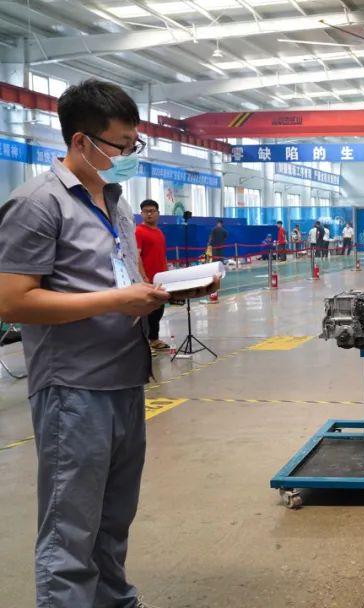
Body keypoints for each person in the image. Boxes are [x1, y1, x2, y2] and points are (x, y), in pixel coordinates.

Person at [0, 79, 219, 608]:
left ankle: (114, 599)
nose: (129, 155)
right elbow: (12, 301)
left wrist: (167, 290)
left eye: (133, 144)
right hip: (74, 386)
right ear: (81, 141)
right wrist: (116, 301)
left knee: (114, 514)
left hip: (124, 376)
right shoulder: (37, 203)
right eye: (121, 145)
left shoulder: (115, 202)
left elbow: (121, 279)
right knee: (70, 526)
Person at [135, 199, 171, 352]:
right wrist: (143, 276)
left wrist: (167, 273)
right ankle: (145, 344)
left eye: (152, 211)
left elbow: (162, 255)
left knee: (158, 310)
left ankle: (154, 340)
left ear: (158, 213)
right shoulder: (138, 231)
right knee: (147, 312)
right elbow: (136, 256)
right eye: (146, 211)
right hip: (147, 280)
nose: (149, 214)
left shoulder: (159, 232)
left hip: (161, 279)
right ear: (141, 214)